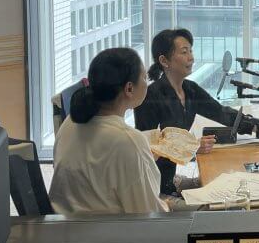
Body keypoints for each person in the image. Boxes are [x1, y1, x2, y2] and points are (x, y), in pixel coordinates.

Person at [49, 48, 167, 215]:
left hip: (63, 225)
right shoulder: (128, 141)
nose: (146, 83)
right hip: (105, 229)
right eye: (144, 78)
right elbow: (148, 214)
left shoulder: (71, 121)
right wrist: (168, 205)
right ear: (129, 88)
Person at [134, 28, 247, 195]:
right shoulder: (150, 97)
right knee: (218, 200)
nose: (191, 57)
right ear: (164, 60)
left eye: (191, 51)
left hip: (170, 181)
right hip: (154, 190)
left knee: (226, 186)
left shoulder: (190, 90)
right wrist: (191, 147)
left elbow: (221, 112)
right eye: (184, 52)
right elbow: (147, 149)